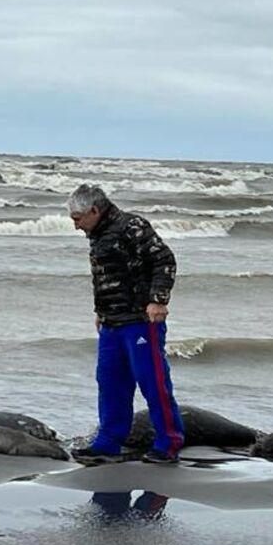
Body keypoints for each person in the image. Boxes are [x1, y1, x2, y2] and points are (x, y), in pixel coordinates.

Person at [67, 184, 186, 464]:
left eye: (78, 219)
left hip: (141, 320)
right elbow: (107, 278)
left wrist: (158, 300)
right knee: (110, 382)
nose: (76, 226)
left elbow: (164, 260)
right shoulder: (97, 234)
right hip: (111, 322)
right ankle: (108, 442)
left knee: (153, 383)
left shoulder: (131, 225)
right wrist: (101, 311)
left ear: (94, 210)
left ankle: (169, 443)